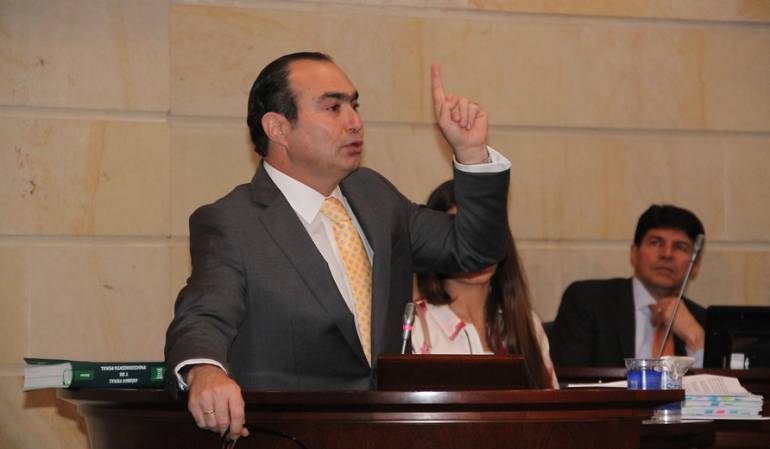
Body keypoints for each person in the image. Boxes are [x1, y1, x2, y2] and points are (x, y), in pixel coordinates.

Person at [164, 51, 512, 441]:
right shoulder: (233, 222)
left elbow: (474, 249)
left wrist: (471, 154)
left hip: (386, 433)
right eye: (333, 107)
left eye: (354, 105)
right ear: (278, 128)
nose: (355, 122)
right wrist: (205, 372)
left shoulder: (376, 196)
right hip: (290, 437)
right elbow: (203, 316)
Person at [411, 180, 558, 389]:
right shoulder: (415, 325)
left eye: (486, 231)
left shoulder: (527, 324)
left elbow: (551, 404)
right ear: (436, 243)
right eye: (463, 233)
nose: (478, 246)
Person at [549, 204, 707, 368]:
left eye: (680, 247)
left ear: (695, 265)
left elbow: (718, 381)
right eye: (655, 242)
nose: (666, 254)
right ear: (634, 254)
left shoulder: (705, 322)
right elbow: (569, 376)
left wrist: (695, 338)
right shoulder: (588, 301)